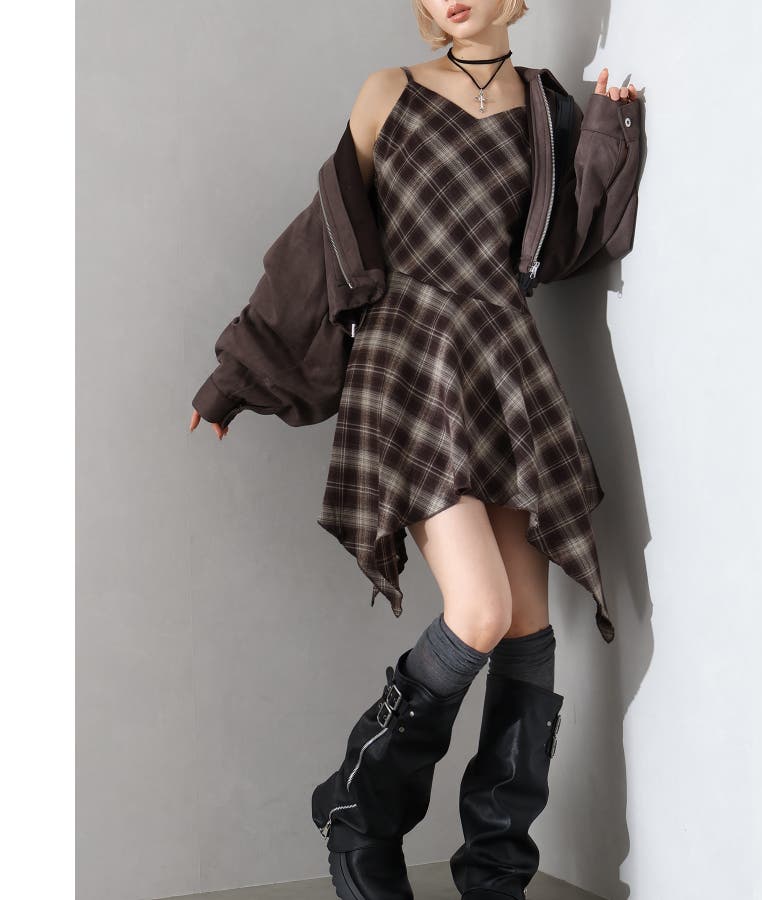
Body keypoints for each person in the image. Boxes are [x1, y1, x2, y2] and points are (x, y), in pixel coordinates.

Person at [190, 1, 643, 897]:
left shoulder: (547, 107)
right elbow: (322, 239)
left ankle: (497, 874)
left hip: (504, 362)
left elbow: (568, 242)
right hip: (410, 361)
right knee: (478, 611)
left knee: (528, 628)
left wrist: (608, 126)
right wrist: (239, 372)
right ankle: (357, 812)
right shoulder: (389, 91)